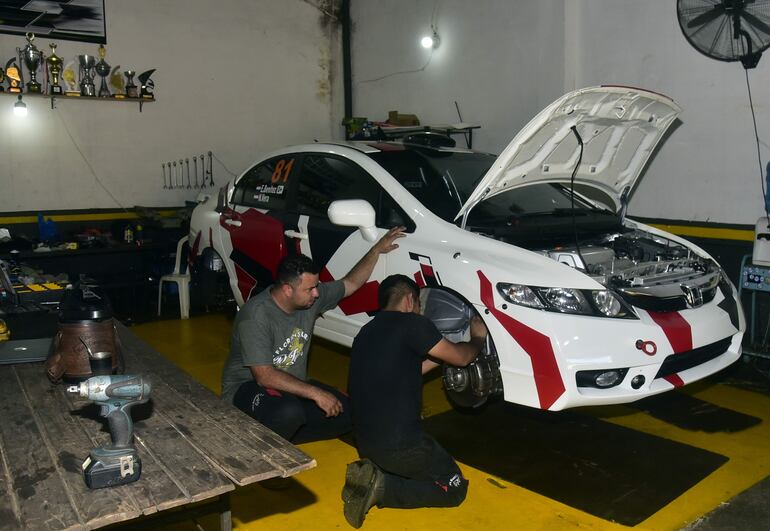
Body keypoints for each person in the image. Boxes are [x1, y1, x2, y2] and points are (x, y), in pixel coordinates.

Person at [220, 226, 405, 443]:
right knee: (288, 413)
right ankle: (254, 444)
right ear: (288, 289)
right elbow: (265, 376)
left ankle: (283, 436)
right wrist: (316, 393)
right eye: (310, 289)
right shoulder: (256, 315)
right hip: (247, 389)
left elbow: (350, 283)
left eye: (316, 286)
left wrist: (376, 250)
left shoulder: (310, 298)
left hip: (291, 387)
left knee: (351, 411)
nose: (317, 293)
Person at [343, 274, 488, 528]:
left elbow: (406, 369)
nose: (421, 310)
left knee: (404, 464)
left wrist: (444, 354)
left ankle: (375, 473)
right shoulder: (412, 324)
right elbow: (463, 358)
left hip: (366, 442)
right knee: (453, 487)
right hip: (401, 446)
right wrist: (476, 338)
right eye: (420, 304)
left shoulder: (366, 332)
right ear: (410, 300)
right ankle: (381, 488)